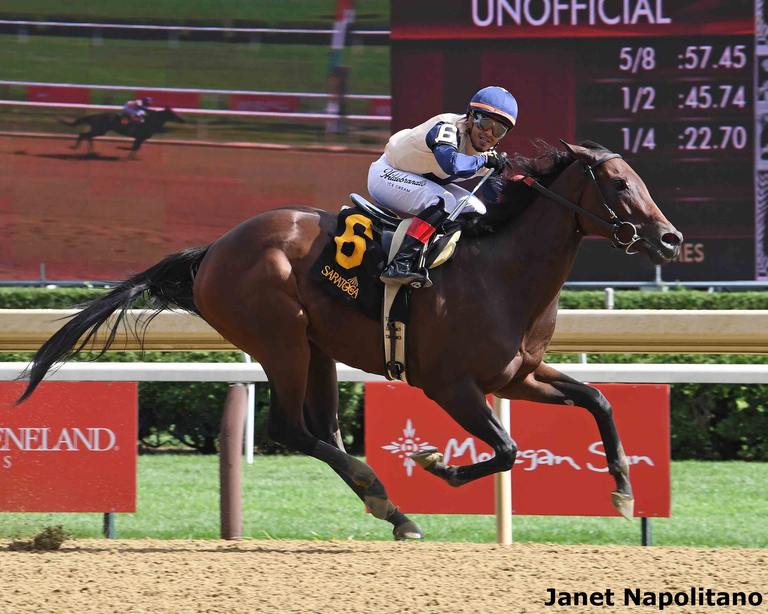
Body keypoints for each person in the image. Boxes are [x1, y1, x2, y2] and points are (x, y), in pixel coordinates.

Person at [368, 86, 517, 287]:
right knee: (442, 201)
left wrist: (498, 175)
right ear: (471, 117)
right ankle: (400, 264)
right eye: (485, 123)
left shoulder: (486, 155)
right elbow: (452, 164)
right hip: (386, 173)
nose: (488, 133)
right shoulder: (447, 126)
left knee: (476, 209)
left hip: (422, 181)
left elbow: (492, 197)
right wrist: (485, 163)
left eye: (498, 129)